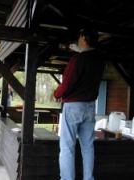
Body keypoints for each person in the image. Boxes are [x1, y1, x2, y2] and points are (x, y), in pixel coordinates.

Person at [54, 28, 104, 180]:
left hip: (74, 106)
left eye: (80, 37)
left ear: (84, 38)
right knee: (88, 147)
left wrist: (56, 93)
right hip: (90, 106)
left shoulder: (78, 60)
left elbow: (67, 83)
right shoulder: (99, 60)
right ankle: (89, 178)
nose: (78, 40)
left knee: (67, 147)